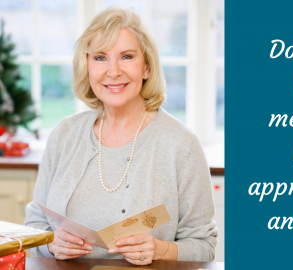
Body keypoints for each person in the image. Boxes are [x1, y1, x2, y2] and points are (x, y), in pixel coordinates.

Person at [24, 7, 218, 265]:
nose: (113, 71)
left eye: (127, 56)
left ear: (146, 68)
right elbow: (35, 228)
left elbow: (205, 247)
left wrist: (159, 250)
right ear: (88, 67)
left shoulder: (182, 144)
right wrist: (51, 244)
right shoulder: (64, 134)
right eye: (100, 58)